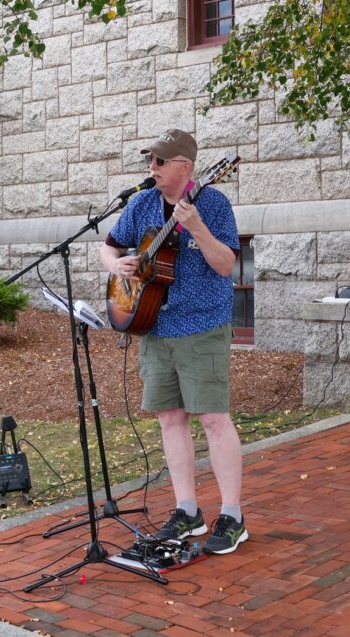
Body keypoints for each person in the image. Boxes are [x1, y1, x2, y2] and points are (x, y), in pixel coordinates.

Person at [100, 129, 247, 555]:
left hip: (201, 324)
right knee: (170, 419)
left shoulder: (213, 204)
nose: (153, 169)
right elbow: (108, 247)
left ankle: (233, 516)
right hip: (154, 324)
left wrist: (196, 226)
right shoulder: (143, 202)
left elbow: (225, 266)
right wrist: (121, 265)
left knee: (214, 419)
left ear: (185, 167)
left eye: (160, 162)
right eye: (151, 161)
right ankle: (187, 510)